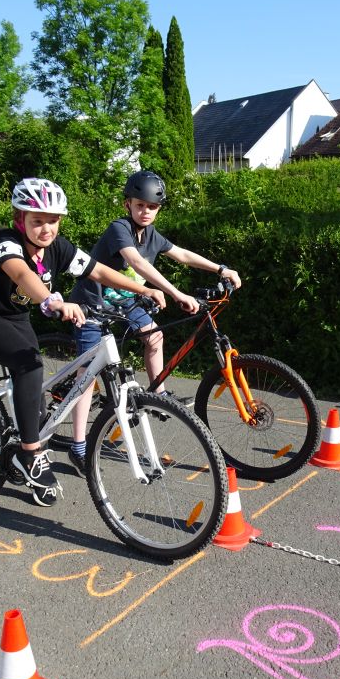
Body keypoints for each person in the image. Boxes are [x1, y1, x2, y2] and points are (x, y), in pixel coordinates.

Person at [0, 177, 166, 506]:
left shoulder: (58, 247)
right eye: (37, 221)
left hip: (17, 320)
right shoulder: (6, 242)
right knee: (30, 368)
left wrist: (143, 289)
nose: (47, 229)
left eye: (53, 221)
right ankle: (30, 455)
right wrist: (51, 300)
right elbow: (22, 274)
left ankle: (21, 451)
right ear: (20, 219)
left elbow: (98, 271)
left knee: (36, 397)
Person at [66, 170, 242, 473]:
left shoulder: (151, 235)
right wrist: (175, 293)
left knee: (154, 336)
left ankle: (157, 395)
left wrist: (220, 269)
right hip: (91, 304)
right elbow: (135, 262)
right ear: (128, 204)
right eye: (140, 205)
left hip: (124, 302)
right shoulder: (119, 228)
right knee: (88, 375)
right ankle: (78, 446)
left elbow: (182, 255)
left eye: (152, 207)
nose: (146, 212)